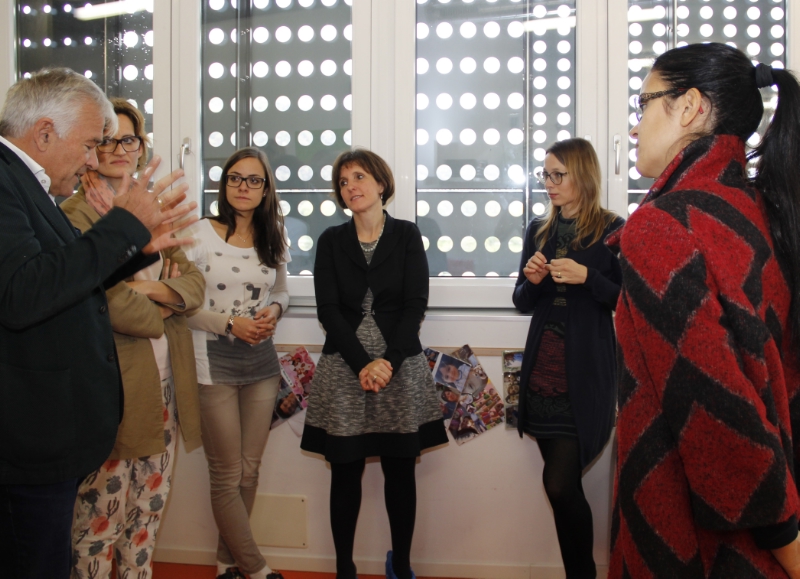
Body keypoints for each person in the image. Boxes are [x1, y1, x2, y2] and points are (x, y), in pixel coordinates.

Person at [607, 43, 800, 578]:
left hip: (702, 539)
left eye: (644, 103)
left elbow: (716, 417)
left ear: (689, 106)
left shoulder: (663, 226)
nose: (635, 128)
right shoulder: (762, 208)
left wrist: (788, 544)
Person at [0, 68, 194, 579]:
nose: (94, 159)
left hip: (44, 433)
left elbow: (62, 278)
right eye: (90, 145)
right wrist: (124, 229)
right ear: (44, 133)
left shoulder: (29, 185)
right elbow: (21, 294)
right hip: (25, 438)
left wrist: (136, 250)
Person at [61, 98, 205, 579]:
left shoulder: (155, 210)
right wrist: (161, 307)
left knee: (147, 515)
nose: (120, 149)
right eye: (108, 139)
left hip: (167, 383)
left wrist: (153, 290)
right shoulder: (75, 216)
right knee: (99, 522)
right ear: (90, 149)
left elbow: (194, 284)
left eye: (130, 139)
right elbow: (106, 301)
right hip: (115, 387)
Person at [300, 149, 447, 579]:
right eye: (343, 182)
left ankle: (400, 565)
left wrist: (387, 363)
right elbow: (328, 310)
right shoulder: (331, 240)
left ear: (382, 183)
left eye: (359, 177)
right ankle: (344, 569)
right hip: (345, 367)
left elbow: (415, 304)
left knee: (400, 470)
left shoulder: (407, 234)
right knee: (344, 471)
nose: (351, 187)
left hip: (399, 367)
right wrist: (364, 364)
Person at [513, 137, 624, 579]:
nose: (549, 183)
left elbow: (628, 300)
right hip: (542, 372)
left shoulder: (612, 230)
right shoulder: (538, 230)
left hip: (586, 372)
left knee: (558, 485)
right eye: (546, 174)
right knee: (562, 489)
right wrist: (534, 280)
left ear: (583, 175)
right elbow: (522, 301)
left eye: (558, 174)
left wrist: (588, 277)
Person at [184, 147, 289, 579]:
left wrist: (274, 311)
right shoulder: (198, 233)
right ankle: (256, 568)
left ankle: (226, 563)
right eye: (235, 178)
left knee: (249, 470)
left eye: (254, 180)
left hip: (261, 362)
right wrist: (230, 324)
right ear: (224, 184)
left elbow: (281, 291)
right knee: (226, 473)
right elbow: (183, 306)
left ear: (266, 189)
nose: (243, 187)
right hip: (213, 361)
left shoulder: (273, 234)